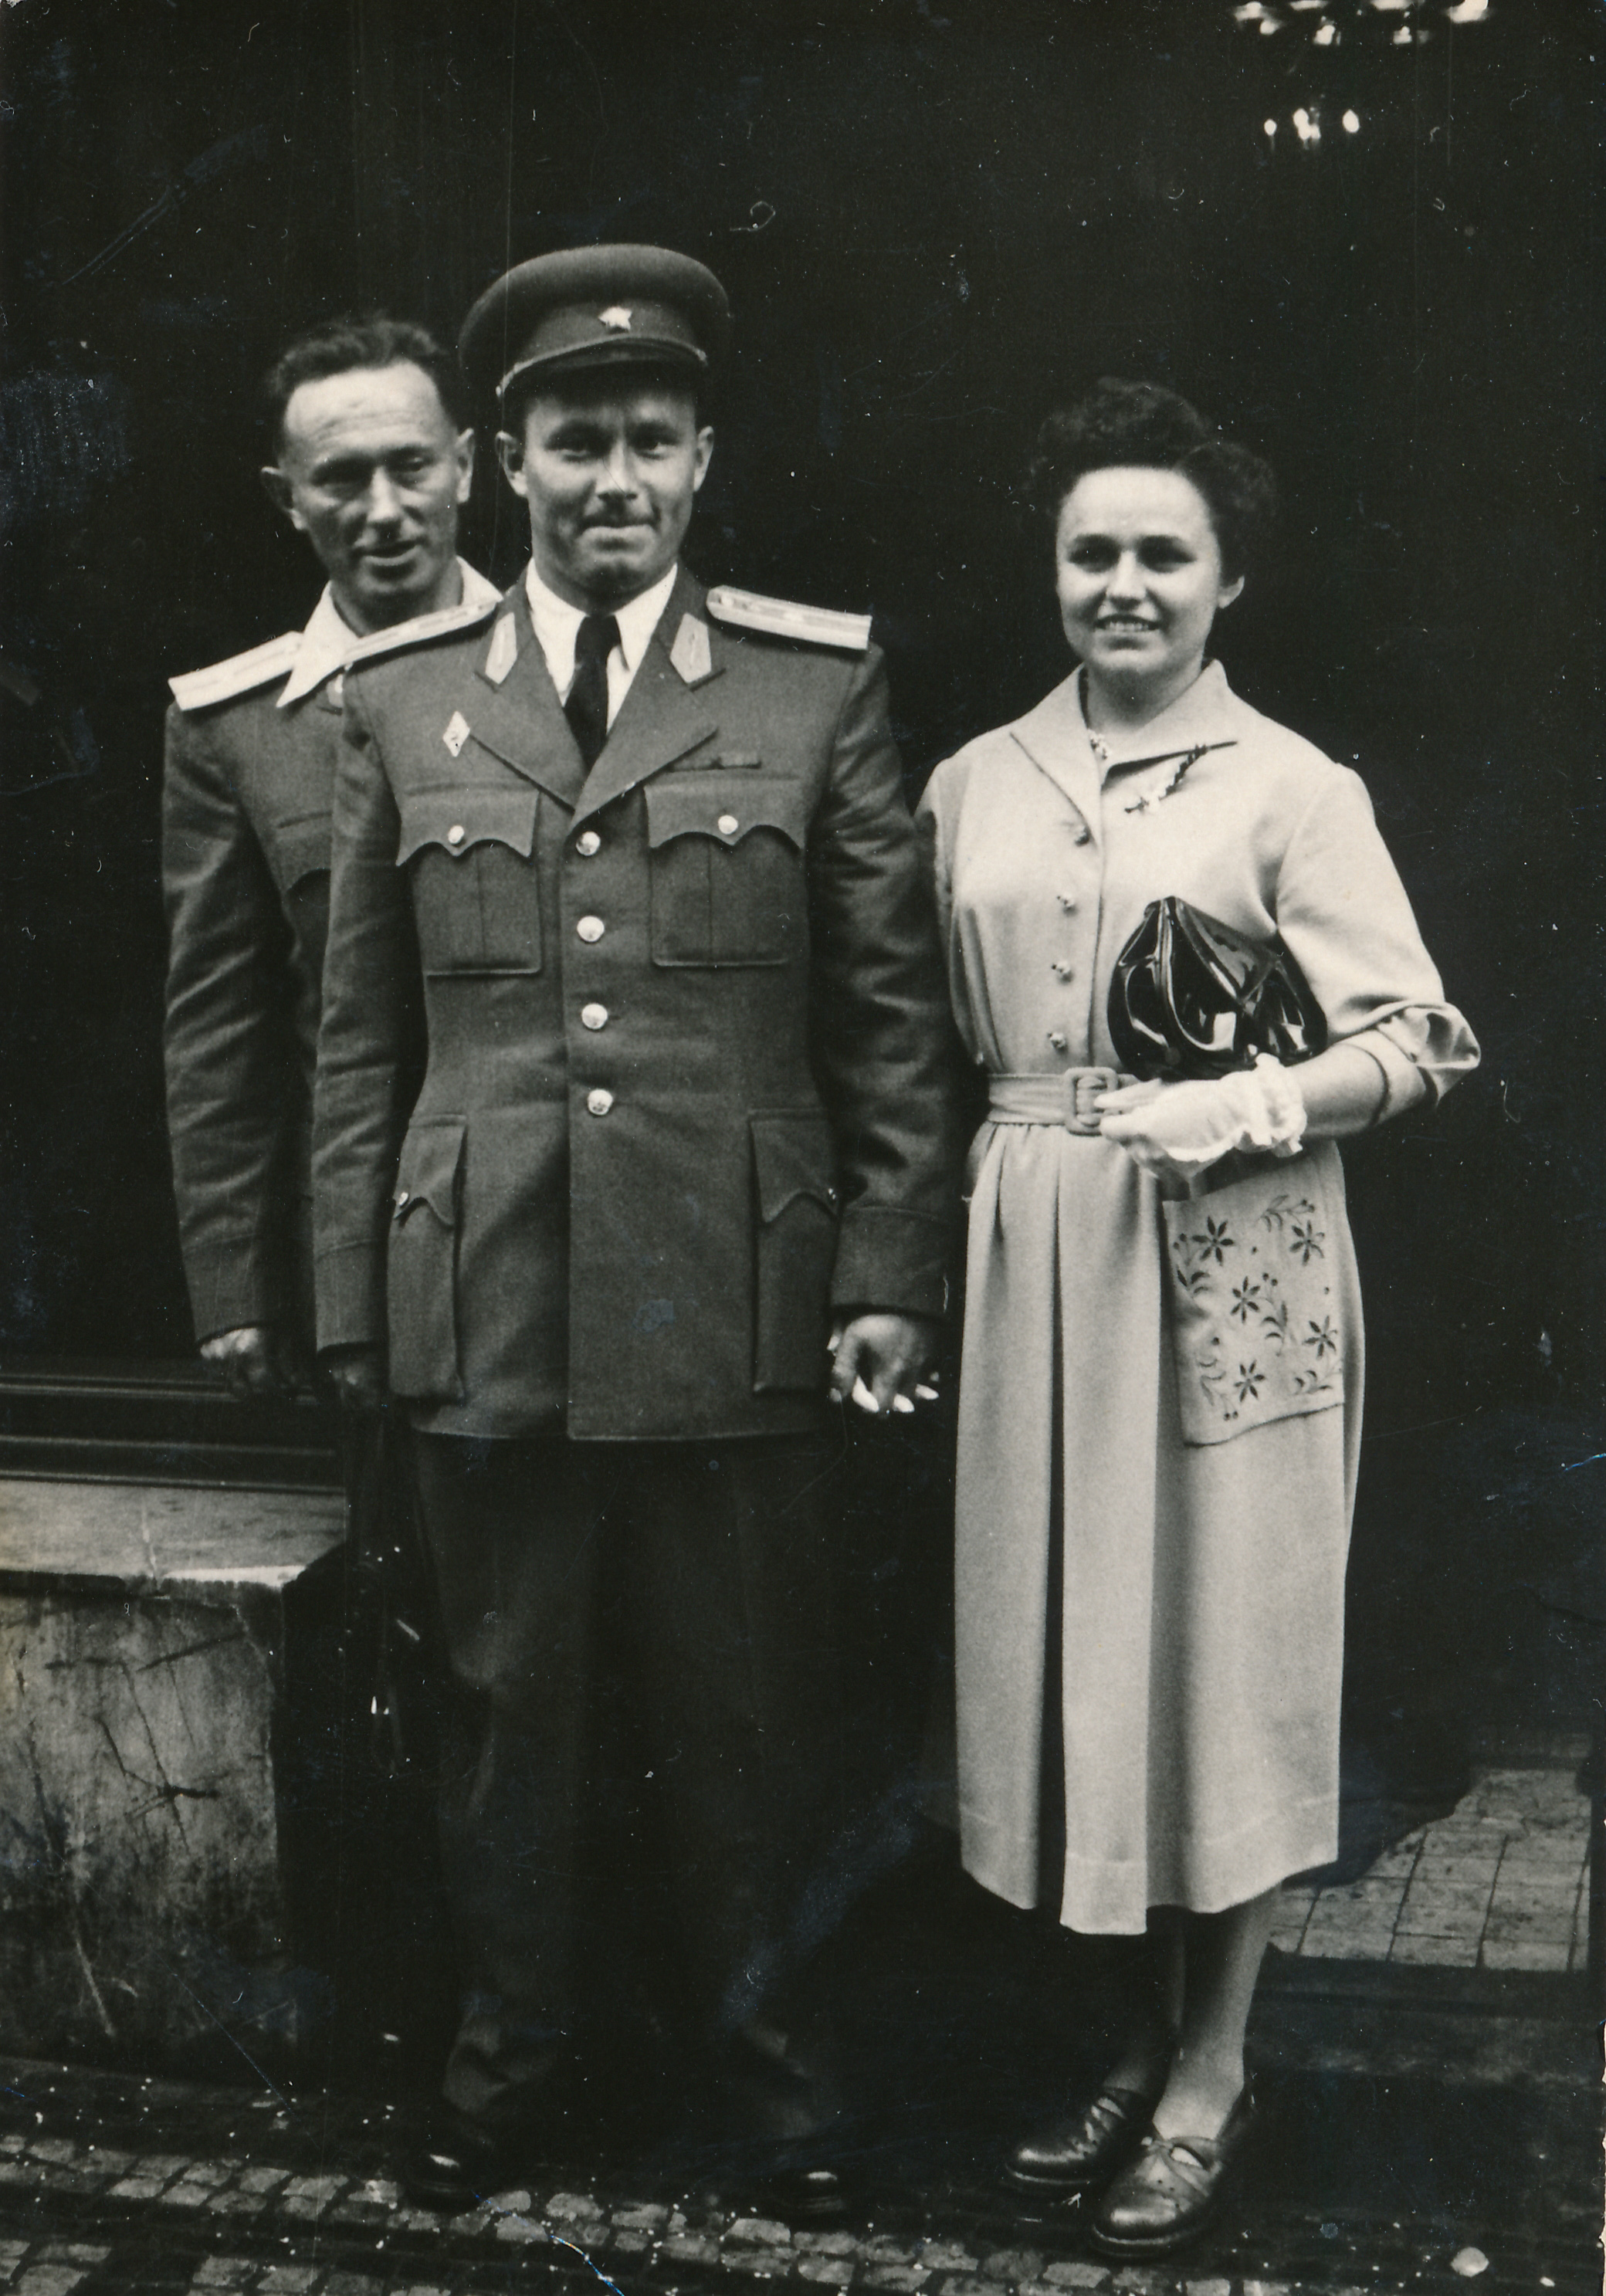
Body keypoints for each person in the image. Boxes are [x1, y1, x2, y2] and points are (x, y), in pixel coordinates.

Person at [311, 245, 959, 2209]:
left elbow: (885, 1020)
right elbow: (358, 1033)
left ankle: (776, 2082)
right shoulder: (401, 699)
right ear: (505, 461)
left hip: (733, 1297)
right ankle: (503, 2075)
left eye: (650, 440)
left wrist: (884, 1271)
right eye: (576, 439)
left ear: (701, 461)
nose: (615, 477)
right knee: (503, 1718)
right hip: (484, 1296)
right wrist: (352, 1304)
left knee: (746, 1719)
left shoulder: (811, 686)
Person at [917, 379, 1478, 2257]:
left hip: (1231, 1255)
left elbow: (1418, 1040)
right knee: (1067, 1654)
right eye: (1090, 550)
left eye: (1164, 553)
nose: (1124, 584)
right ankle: (1117, 2035)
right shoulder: (973, 779)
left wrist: (1238, 1105)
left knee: (1223, 1660)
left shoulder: (1292, 788)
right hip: (1033, 1248)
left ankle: (1209, 2067)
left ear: (1227, 578)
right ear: (1049, 567)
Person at [163, 314, 499, 1394]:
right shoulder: (235, 728)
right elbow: (223, 1025)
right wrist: (237, 1286)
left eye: (412, 466)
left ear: (467, 466)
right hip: (364, 1264)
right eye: (341, 479)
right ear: (287, 498)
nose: (384, 511)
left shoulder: (576, 676)